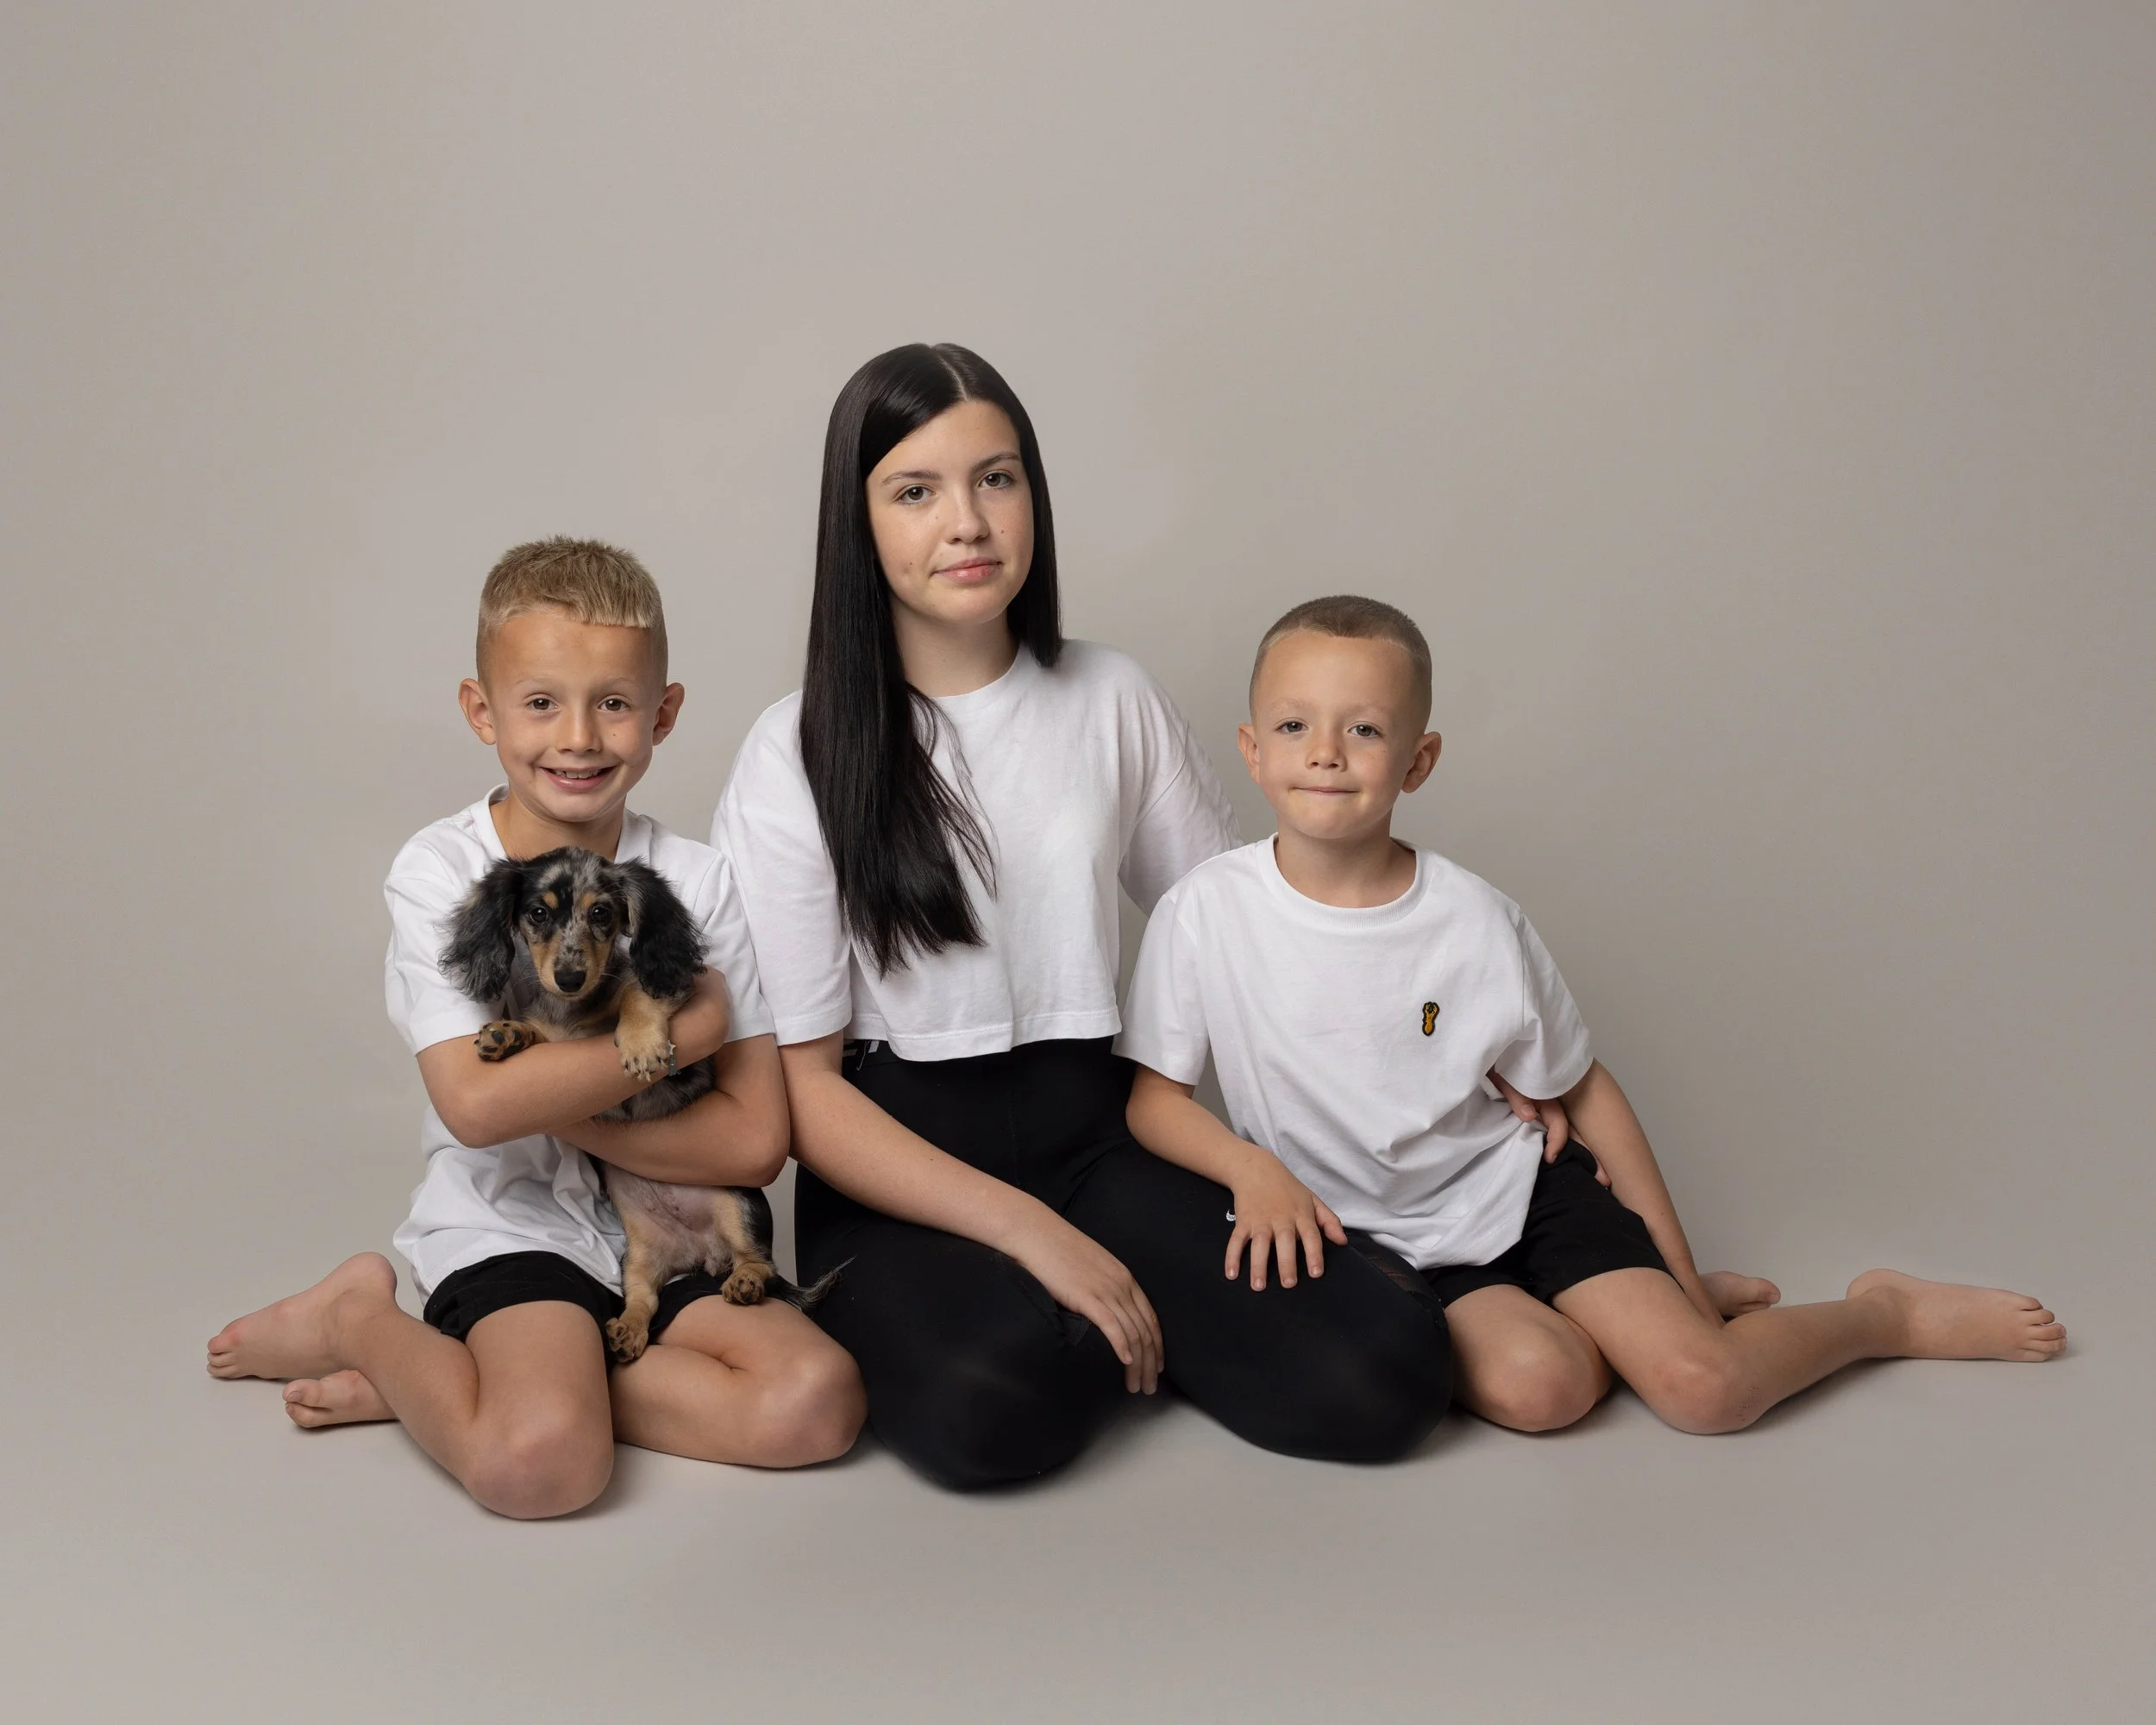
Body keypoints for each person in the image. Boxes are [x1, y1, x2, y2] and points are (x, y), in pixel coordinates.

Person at [712, 344, 1460, 1489]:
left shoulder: (1111, 696)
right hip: (898, 1166)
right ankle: (1104, 1317)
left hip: (1095, 1135)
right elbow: (800, 1091)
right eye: (916, 492)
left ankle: (1138, 1313)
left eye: (996, 479)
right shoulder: (795, 750)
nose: (966, 522)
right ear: (857, 522)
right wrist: (1028, 1233)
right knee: (992, 1421)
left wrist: (1457, 1038)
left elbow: (1251, 931)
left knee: (1393, 1374)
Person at [1118, 595, 2066, 1438]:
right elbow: (1153, 1100)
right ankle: (1629, 1311)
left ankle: (1879, 1313)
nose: (1324, 751)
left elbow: (1583, 1088)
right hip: (1381, 1242)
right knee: (1547, 1390)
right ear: (1252, 747)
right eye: (1294, 724)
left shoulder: (1474, 919)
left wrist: (1678, 1271)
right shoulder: (1205, 911)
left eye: (1364, 729)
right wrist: (1253, 1170)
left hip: (1519, 1194)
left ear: (1419, 759)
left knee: (1705, 1388)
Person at [207, 539, 864, 1515]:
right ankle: (359, 1319)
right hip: (510, 1217)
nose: (581, 736)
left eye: (614, 701)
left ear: (662, 715)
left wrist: (550, 1092)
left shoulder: (698, 880)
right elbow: (477, 1106)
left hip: (670, 1224)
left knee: (814, 1403)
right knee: (543, 1465)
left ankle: (453, 1379)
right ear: (483, 710)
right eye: (541, 701)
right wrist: (689, 1029)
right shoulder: (440, 869)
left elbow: (757, 1141)